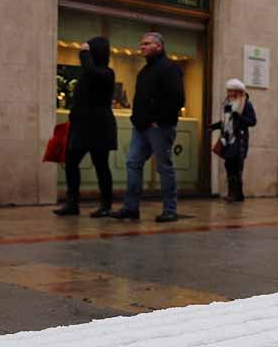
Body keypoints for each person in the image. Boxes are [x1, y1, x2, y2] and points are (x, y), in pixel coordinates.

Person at [110, 32, 185, 223]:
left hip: (160, 127)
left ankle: (170, 209)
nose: (142, 46)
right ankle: (131, 207)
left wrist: (159, 120)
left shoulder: (170, 68)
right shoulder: (144, 72)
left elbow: (177, 98)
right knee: (133, 163)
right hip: (141, 127)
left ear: (159, 47)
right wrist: (136, 118)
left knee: (164, 167)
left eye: (146, 43)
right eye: (141, 43)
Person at [53, 37, 117, 218]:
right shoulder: (88, 75)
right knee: (71, 162)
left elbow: (90, 71)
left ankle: (106, 204)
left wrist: (83, 52)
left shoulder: (106, 73)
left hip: (100, 126)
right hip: (81, 125)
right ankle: (73, 202)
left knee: (101, 165)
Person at [208, 78, 257, 202]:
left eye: (231, 91)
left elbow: (252, 121)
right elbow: (226, 121)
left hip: (239, 139)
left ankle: (237, 195)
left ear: (238, 91)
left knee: (236, 166)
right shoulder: (228, 105)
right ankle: (234, 194)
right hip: (228, 139)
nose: (229, 93)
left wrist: (240, 117)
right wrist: (214, 126)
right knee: (229, 165)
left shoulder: (246, 104)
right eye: (228, 91)